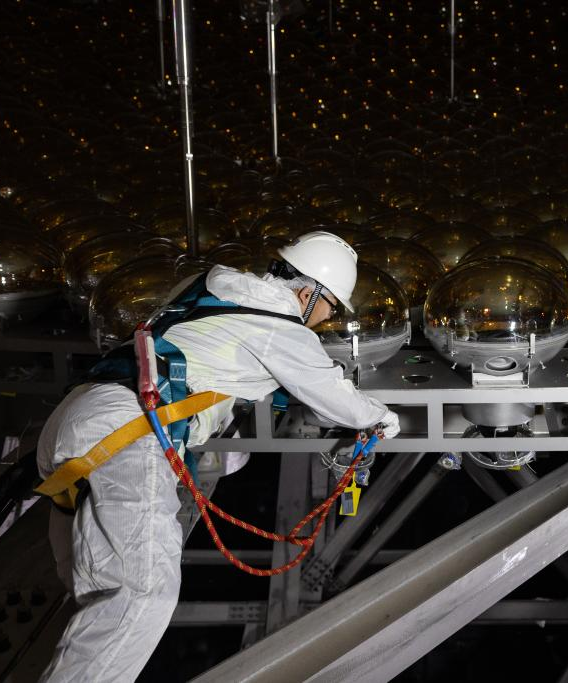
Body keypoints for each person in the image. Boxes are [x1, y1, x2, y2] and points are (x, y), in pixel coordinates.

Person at [36, 231, 400, 682]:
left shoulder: (208, 288)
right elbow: (333, 396)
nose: (324, 323)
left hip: (77, 420)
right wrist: (383, 420)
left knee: (97, 596)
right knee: (142, 595)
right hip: (128, 434)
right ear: (308, 293)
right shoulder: (278, 328)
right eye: (328, 310)